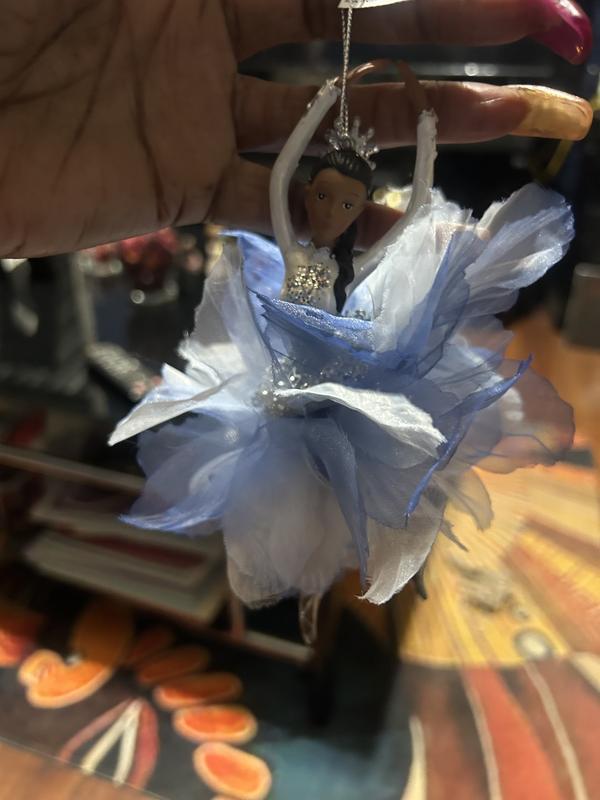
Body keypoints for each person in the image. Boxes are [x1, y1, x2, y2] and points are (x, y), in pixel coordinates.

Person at [0, 0, 593, 258]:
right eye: (325, 197)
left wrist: (425, 128)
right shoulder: (291, 234)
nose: (331, 211)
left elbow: (414, 207)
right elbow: (285, 166)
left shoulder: (341, 253)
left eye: (347, 204)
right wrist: (327, 99)